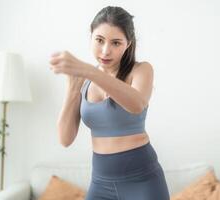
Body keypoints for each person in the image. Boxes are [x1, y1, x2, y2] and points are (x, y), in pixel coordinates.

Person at [49, 6, 170, 200]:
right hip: (100, 183)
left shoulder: (141, 70)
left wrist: (89, 71)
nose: (106, 51)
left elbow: (137, 104)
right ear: (91, 36)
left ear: (128, 44)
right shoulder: (85, 78)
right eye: (99, 40)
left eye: (116, 43)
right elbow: (65, 139)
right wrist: (72, 90)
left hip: (143, 181)